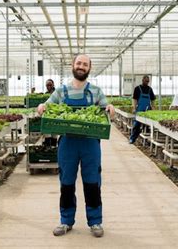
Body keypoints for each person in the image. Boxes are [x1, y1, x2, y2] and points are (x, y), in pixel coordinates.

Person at [37, 54, 115, 238]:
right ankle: (65, 221)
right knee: (66, 182)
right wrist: (41, 106)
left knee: (92, 182)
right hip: (68, 143)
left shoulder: (96, 91)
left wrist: (110, 110)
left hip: (90, 143)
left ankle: (95, 221)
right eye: (78, 63)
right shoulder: (61, 92)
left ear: (89, 68)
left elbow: (107, 111)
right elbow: (46, 107)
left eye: (85, 64)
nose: (81, 66)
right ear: (73, 66)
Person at [129, 75, 156, 144]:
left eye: (148, 81)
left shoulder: (150, 89)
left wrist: (153, 108)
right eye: (146, 81)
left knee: (147, 126)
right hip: (139, 110)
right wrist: (134, 108)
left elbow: (152, 100)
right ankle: (132, 138)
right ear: (142, 80)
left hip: (147, 111)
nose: (147, 82)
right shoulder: (137, 89)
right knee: (136, 125)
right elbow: (134, 99)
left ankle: (147, 140)